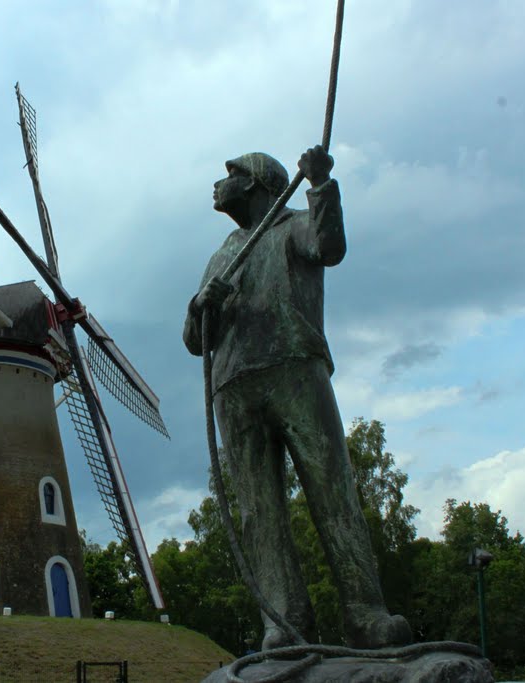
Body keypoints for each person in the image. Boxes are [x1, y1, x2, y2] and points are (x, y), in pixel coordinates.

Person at [183, 147, 411, 650]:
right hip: (233, 386)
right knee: (258, 512)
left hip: (294, 369)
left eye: (231, 175)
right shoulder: (223, 252)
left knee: (331, 490)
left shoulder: (295, 225)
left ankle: (365, 615)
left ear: (257, 182)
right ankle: (284, 622)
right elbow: (195, 340)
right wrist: (202, 305)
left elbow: (329, 246)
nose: (219, 185)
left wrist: (323, 186)